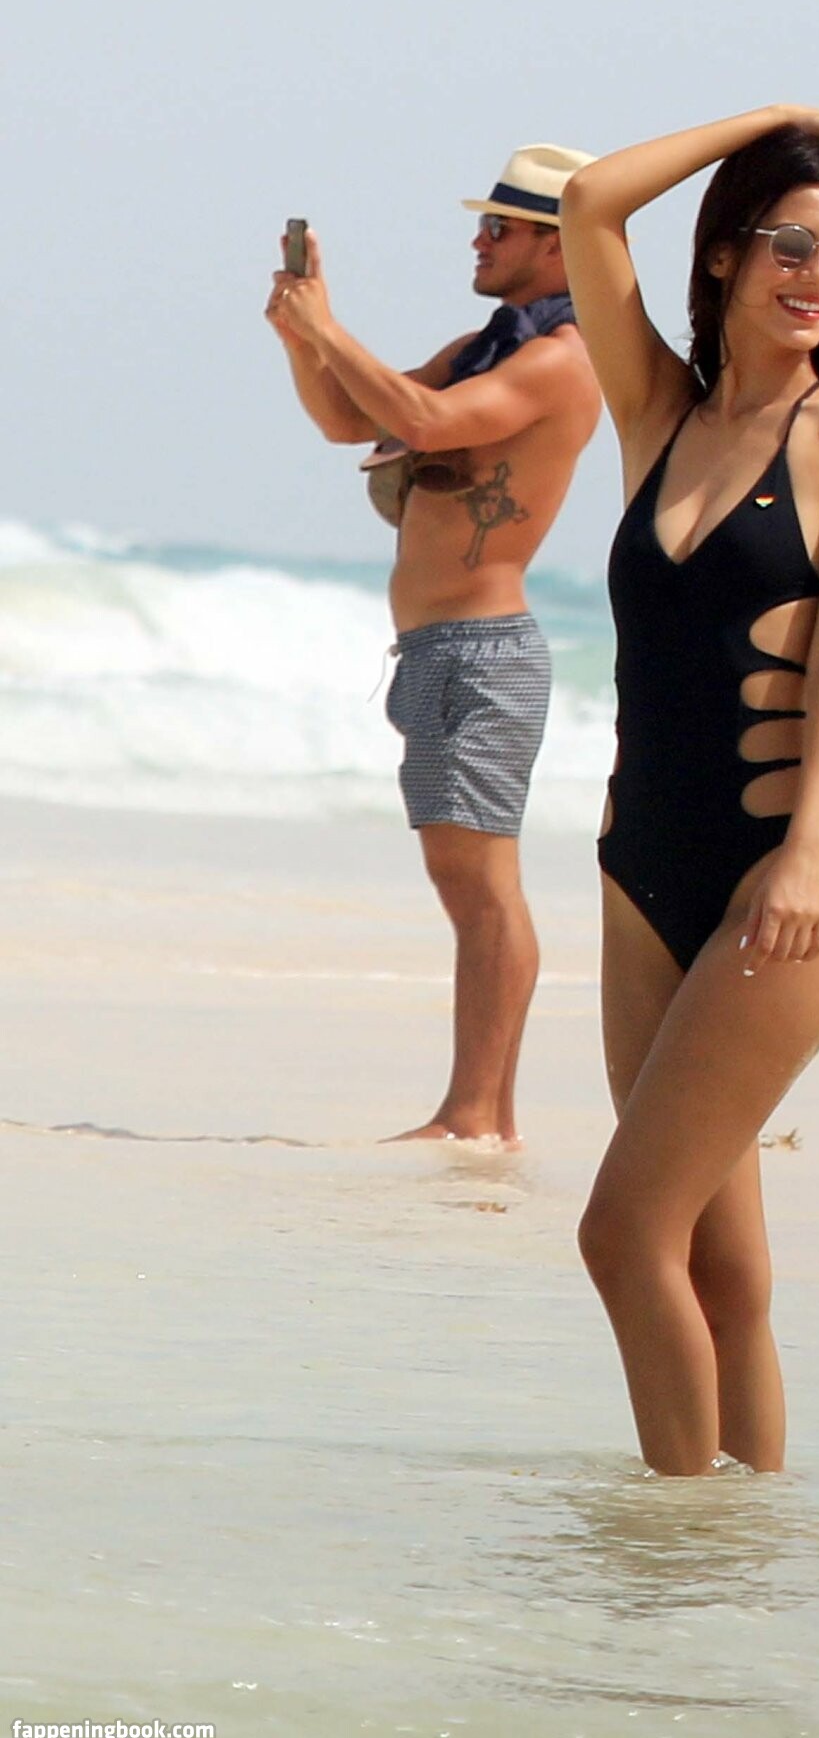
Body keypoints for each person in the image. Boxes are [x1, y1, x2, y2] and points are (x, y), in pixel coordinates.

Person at [559, 107, 819, 1474]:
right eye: (791, 244)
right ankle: (749, 1548)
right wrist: (781, 116)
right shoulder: (658, 416)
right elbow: (591, 204)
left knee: (622, 1233)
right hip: (640, 874)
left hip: (783, 883)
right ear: (723, 254)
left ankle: (672, 1543)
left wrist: (811, 846)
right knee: (721, 1269)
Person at [265, 146, 602, 1146]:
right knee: (467, 886)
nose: (478, 240)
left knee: (482, 889)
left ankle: (474, 1115)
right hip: (440, 652)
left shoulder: (560, 360)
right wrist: (302, 336)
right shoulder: (488, 346)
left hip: (483, 652)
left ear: (558, 246)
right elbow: (351, 419)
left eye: (499, 227)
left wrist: (332, 330)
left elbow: (427, 421)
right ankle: (485, 1114)